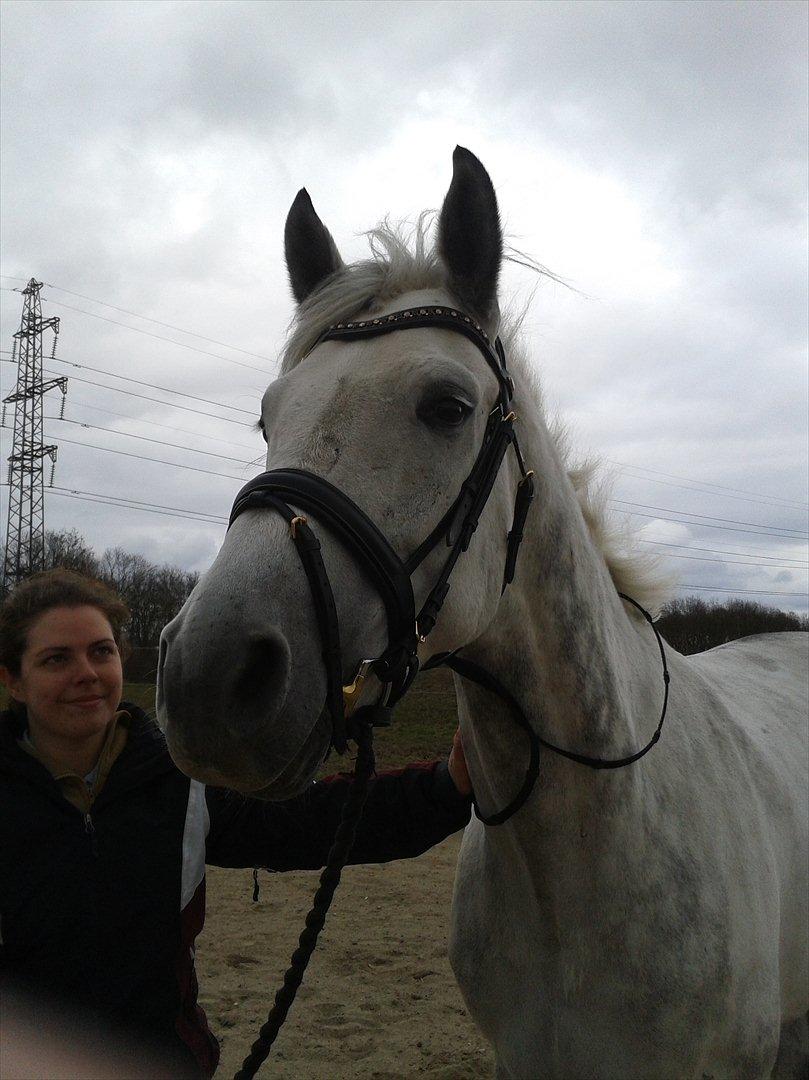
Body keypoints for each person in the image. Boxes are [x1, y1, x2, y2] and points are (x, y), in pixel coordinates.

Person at [0, 569, 472, 1077]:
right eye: (56, 659)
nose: (87, 673)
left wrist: (446, 787)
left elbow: (308, 822)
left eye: (101, 651)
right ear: (12, 680)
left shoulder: (179, 779)